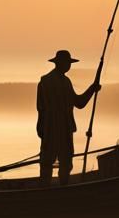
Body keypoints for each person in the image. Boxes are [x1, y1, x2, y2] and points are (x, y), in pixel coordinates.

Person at [36, 50, 100, 186]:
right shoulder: (62, 82)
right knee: (64, 163)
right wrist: (92, 89)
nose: (69, 66)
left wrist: (92, 88)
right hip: (61, 130)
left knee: (47, 163)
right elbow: (79, 103)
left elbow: (40, 110)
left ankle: (45, 190)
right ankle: (62, 189)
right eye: (67, 63)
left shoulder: (45, 81)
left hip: (49, 130)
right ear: (59, 63)